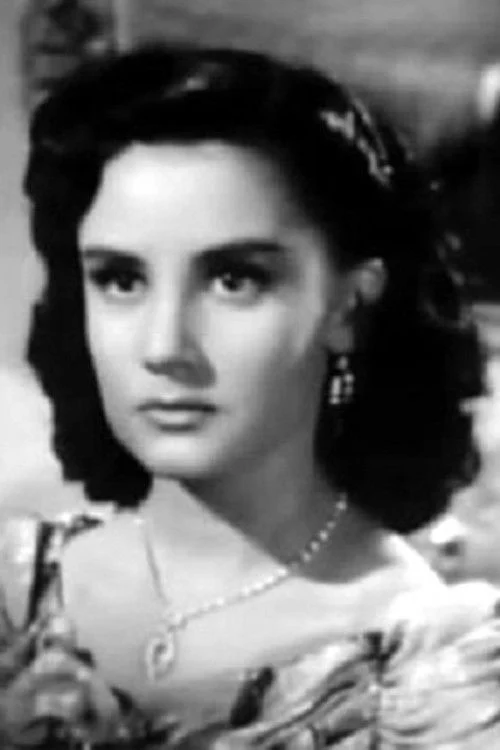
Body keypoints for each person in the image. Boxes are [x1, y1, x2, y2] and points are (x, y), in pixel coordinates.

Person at [1, 45, 499, 748]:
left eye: (234, 280)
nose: (164, 345)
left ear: (350, 306)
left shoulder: (429, 676)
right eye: (121, 279)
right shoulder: (14, 584)